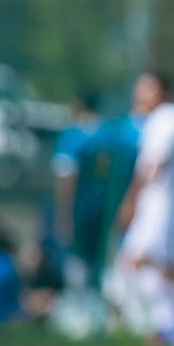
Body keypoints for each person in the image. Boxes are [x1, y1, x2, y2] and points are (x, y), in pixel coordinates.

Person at [113, 71, 174, 346]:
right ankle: (166, 326)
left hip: (164, 206)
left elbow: (154, 164)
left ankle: (173, 328)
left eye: (147, 88)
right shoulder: (153, 122)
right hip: (154, 205)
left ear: (164, 92)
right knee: (148, 263)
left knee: (151, 262)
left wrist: (131, 201)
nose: (140, 95)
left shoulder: (171, 117)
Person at [52, 92, 111, 291]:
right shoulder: (109, 134)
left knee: (77, 258)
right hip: (107, 209)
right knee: (102, 259)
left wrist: (63, 212)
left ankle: (80, 299)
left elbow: (67, 176)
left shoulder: (73, 135)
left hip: (81, 208)